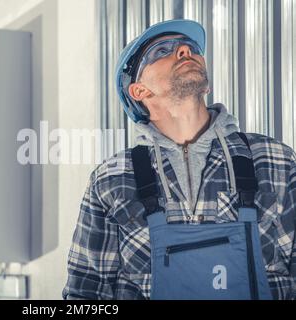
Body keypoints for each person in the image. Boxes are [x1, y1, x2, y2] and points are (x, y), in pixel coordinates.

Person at [62, 19, 295, 300]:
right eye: (162, 50)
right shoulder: (111, 179)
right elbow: (86, 292)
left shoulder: (275, 160)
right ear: (139, 91)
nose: (185, 50)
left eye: (192, 48)